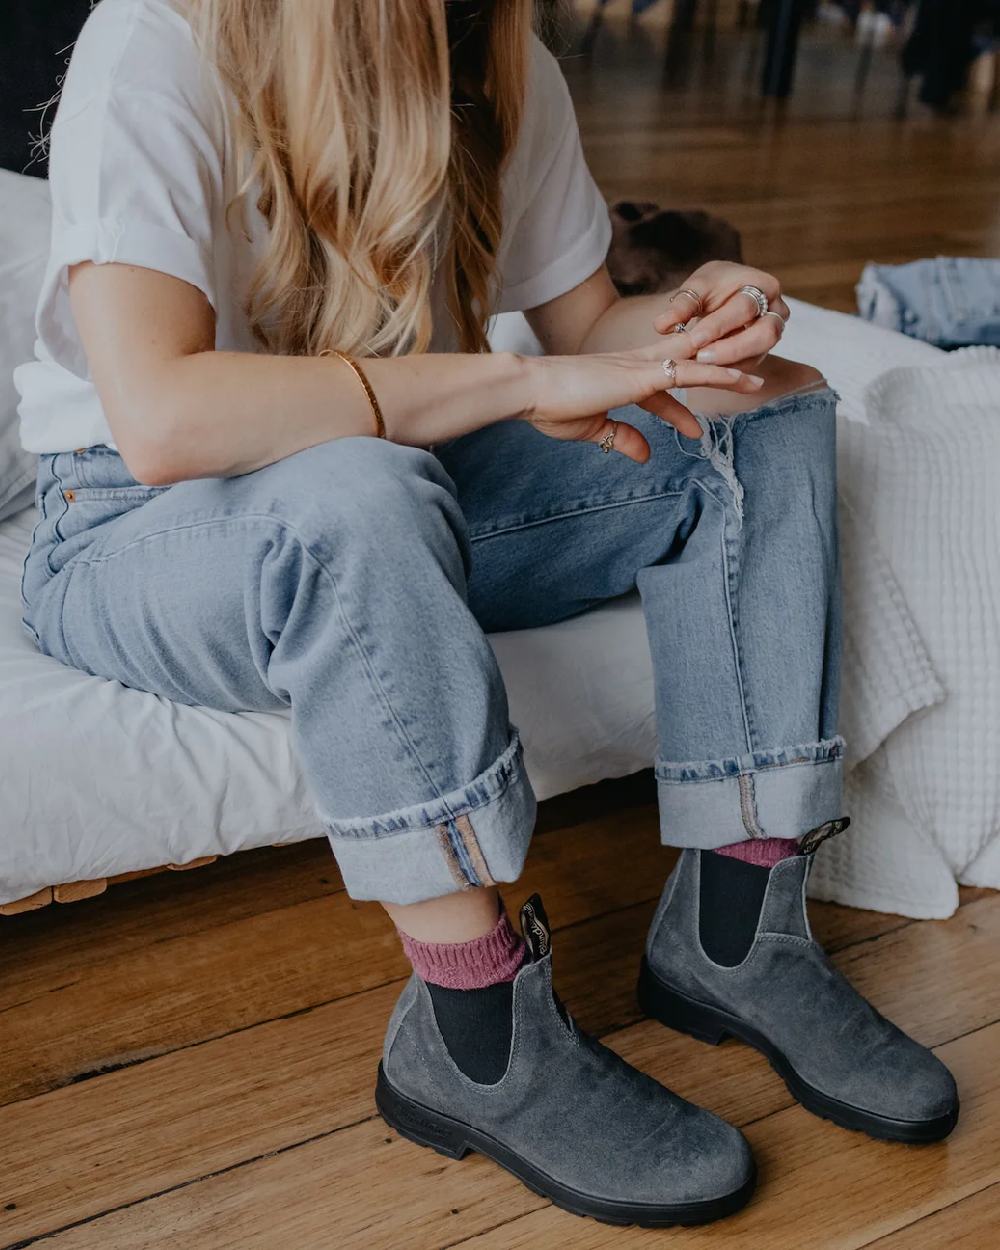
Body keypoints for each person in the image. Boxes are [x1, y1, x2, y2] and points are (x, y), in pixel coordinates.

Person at [15, 0, 958, 1228]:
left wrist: (689, 319)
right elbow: (162, 419)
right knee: (357, 492)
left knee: (761, 407)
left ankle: (737, 929)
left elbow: (585, 331)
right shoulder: (155, 43)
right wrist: (520, 380)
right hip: (140, 526)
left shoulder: (499, 56)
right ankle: (472, 1032)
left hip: (412, 473)